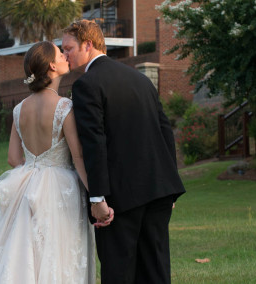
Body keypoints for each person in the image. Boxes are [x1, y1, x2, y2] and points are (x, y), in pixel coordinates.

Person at [62, 20, 186, 284]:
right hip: (159, 190)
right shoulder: (140, 79)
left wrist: (97, 198)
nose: (65, 55)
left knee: (118, 273)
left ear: (88, 44)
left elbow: (94, 142)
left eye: (68, 48)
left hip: (120, 199)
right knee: (156, 271)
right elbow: (165, 131)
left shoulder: (86, 85)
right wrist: (170, 186)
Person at [0, 41, 102, 284]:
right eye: (60, 53)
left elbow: (13, 159)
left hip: (27, 185)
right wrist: (96, 195)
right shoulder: (65, 106)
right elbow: (78, 156)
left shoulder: (19, 108)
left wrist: (35, 169)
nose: (66, 55)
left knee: (26, 250)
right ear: (52, 65)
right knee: (59, 251)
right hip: (60, 189)